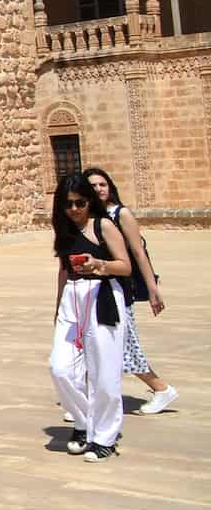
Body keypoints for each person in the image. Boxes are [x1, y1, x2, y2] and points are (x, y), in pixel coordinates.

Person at [48, 172, 131, 462]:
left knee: (104, 373)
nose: (74, 210)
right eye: (68, 204)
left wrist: (100, 264)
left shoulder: (103, 226)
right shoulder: (64, 230)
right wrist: (58, 306)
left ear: (89, 201)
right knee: (60, 368)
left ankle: (105, 436)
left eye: (79, 203)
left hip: (101, 297)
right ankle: (84, 422)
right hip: (72, 300)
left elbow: (125, 266)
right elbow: (62, 270)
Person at [85, 167, 178, 415]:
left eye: (102, 184)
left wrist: (152, 288)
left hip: (119, 288)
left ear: (110, 187)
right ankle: (92, 399)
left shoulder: (120, 214)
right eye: (93, 186)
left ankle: (161, 388)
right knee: (97, 344)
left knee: (125, 345)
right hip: (95, 288)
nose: (98, 189)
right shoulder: (89, 217)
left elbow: (139, 252)